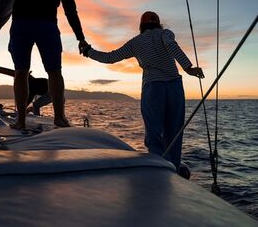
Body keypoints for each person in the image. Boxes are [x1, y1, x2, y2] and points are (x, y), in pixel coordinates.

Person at [81, 11, 204, 172]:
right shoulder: (166, 33)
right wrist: (188, 68)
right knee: (174, 132)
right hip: (174, 86)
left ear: (141, 26)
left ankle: (159, 168)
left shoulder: (135, 42)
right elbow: (171, 45)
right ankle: (173, 166)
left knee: (154, 133)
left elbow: (110, 57)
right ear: (159, 24)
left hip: (153, 88)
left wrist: (88, 51)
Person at [9, 0, 87, 130]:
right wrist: (80, 38)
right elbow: (71, 12)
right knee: (54, 72)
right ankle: (59, 118)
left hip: (21, 23)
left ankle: (20, 121)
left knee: (20, 72)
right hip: (47, 26)